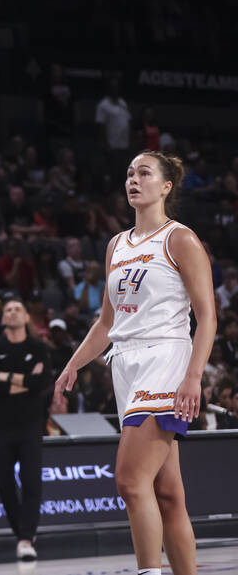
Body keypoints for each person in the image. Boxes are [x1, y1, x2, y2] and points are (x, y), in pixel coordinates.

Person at [55, 151, 216, 575]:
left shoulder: (180, 239)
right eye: (129, 173)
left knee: (128, 480)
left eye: (144, 173)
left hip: (165, 357)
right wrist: (74, 363)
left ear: (165, 186)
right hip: (123, 364)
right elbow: (108, 321)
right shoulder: (116, 245)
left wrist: (194, 376)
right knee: (167, 493)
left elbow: (207, 316)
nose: (133, 179)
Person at [0, 297, 51, 561]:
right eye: (7, 310)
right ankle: (22, 533)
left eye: (17, 309)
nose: (11, 313)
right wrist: (24, 379)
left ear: (26, 317)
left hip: (31, 425)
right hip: (1, 426)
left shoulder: (37, 347)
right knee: (2, 483)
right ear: (3, 319)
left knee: (32, 482)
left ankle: (25, 539)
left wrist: (7, 377)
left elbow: (42, 382)